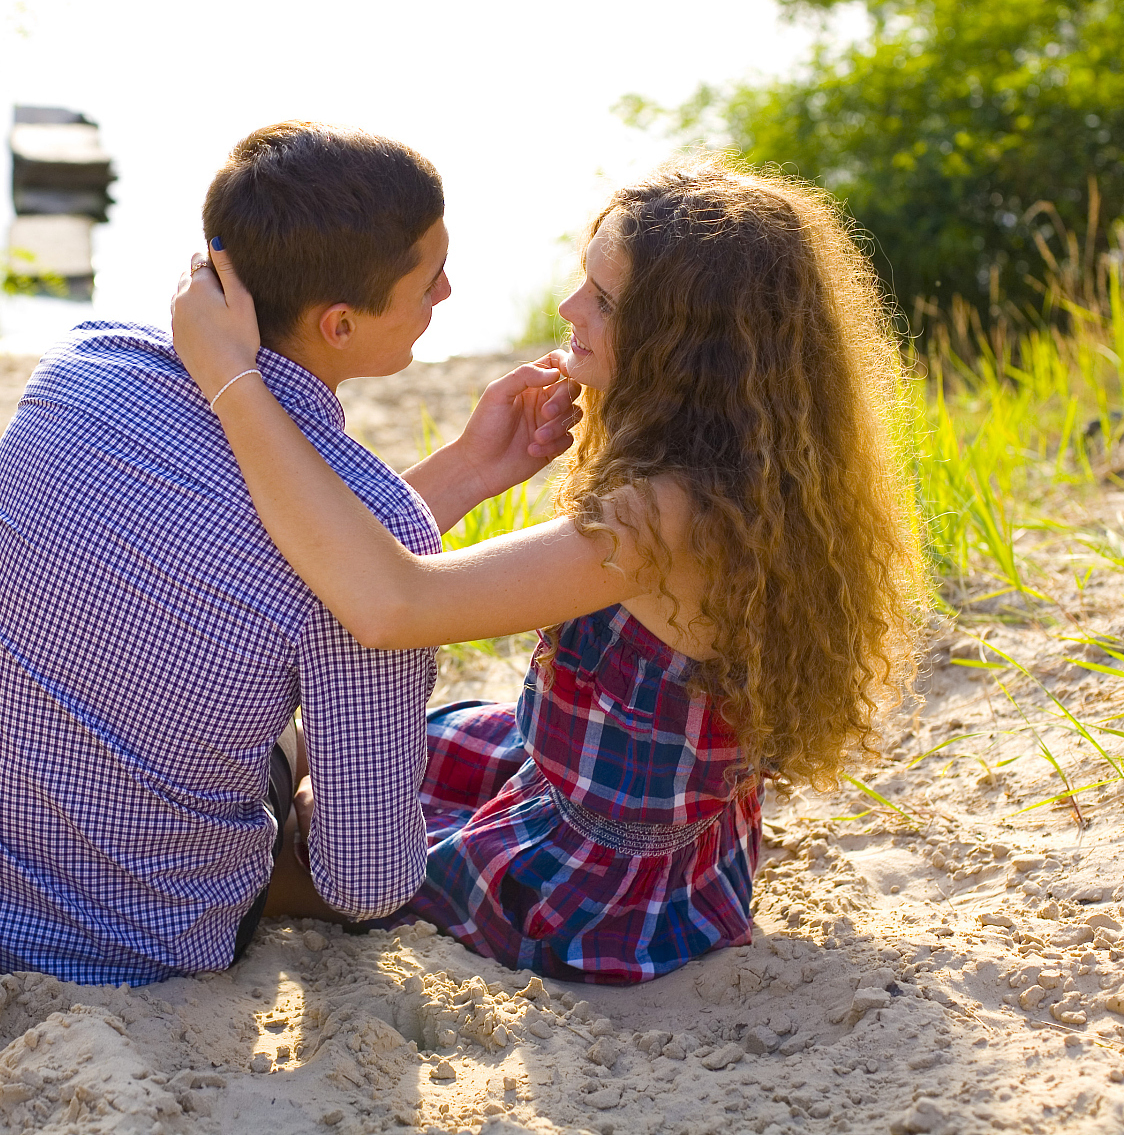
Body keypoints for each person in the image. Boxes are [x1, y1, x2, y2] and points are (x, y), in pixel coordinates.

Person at [0, 121, 577, 984]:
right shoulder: (377, 538)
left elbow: (297, 536)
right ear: (339, 324)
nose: (449, 290)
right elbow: (369, 883)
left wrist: (473, 467)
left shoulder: (82, 362)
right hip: (152, 943)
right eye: (428, 277)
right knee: (267, 740)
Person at [171, 158, 927, 984]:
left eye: (604, 300)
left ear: (685, 342)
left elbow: (392, 602)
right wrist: (471, 464)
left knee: (273, 870)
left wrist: (231, 378)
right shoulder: (735, 471)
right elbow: (388, 574)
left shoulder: (663, 517)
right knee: (377, 753)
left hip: (596, 875)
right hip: (580, 783)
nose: (570, 310)